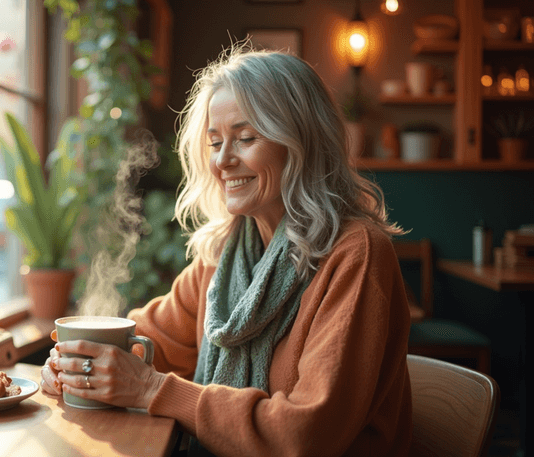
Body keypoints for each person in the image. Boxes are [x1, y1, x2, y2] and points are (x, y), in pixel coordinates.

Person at [40, 44, 412, 457]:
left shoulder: (357, 254)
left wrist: (152, 389)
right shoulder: (226, 253)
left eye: (245, 138)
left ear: (302, 143)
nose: (222, 161)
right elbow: (149, 341)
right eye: (215, 142)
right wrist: (77, 364)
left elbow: (304, 436)